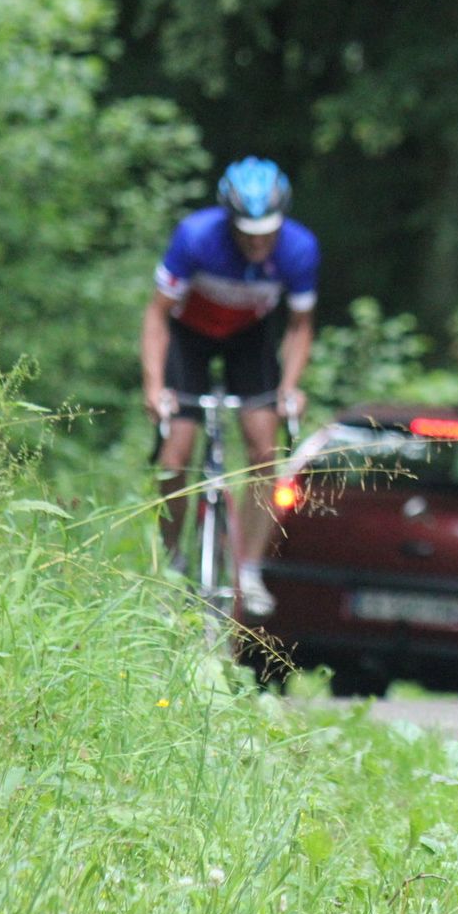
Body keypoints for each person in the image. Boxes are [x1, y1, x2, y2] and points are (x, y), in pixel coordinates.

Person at [140, 156, 320, 614]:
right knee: (174, 456)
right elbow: (157, 315)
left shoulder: (299, 249)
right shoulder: (196, 237)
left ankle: (249, 568)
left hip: (249, 339)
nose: (258, 243)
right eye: (247, 232)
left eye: (267, 233)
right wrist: (154, 386)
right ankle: (172, 562)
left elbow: (299, 326)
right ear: (229, 221)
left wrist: (290, 387)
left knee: (265, 453)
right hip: (189, 337)